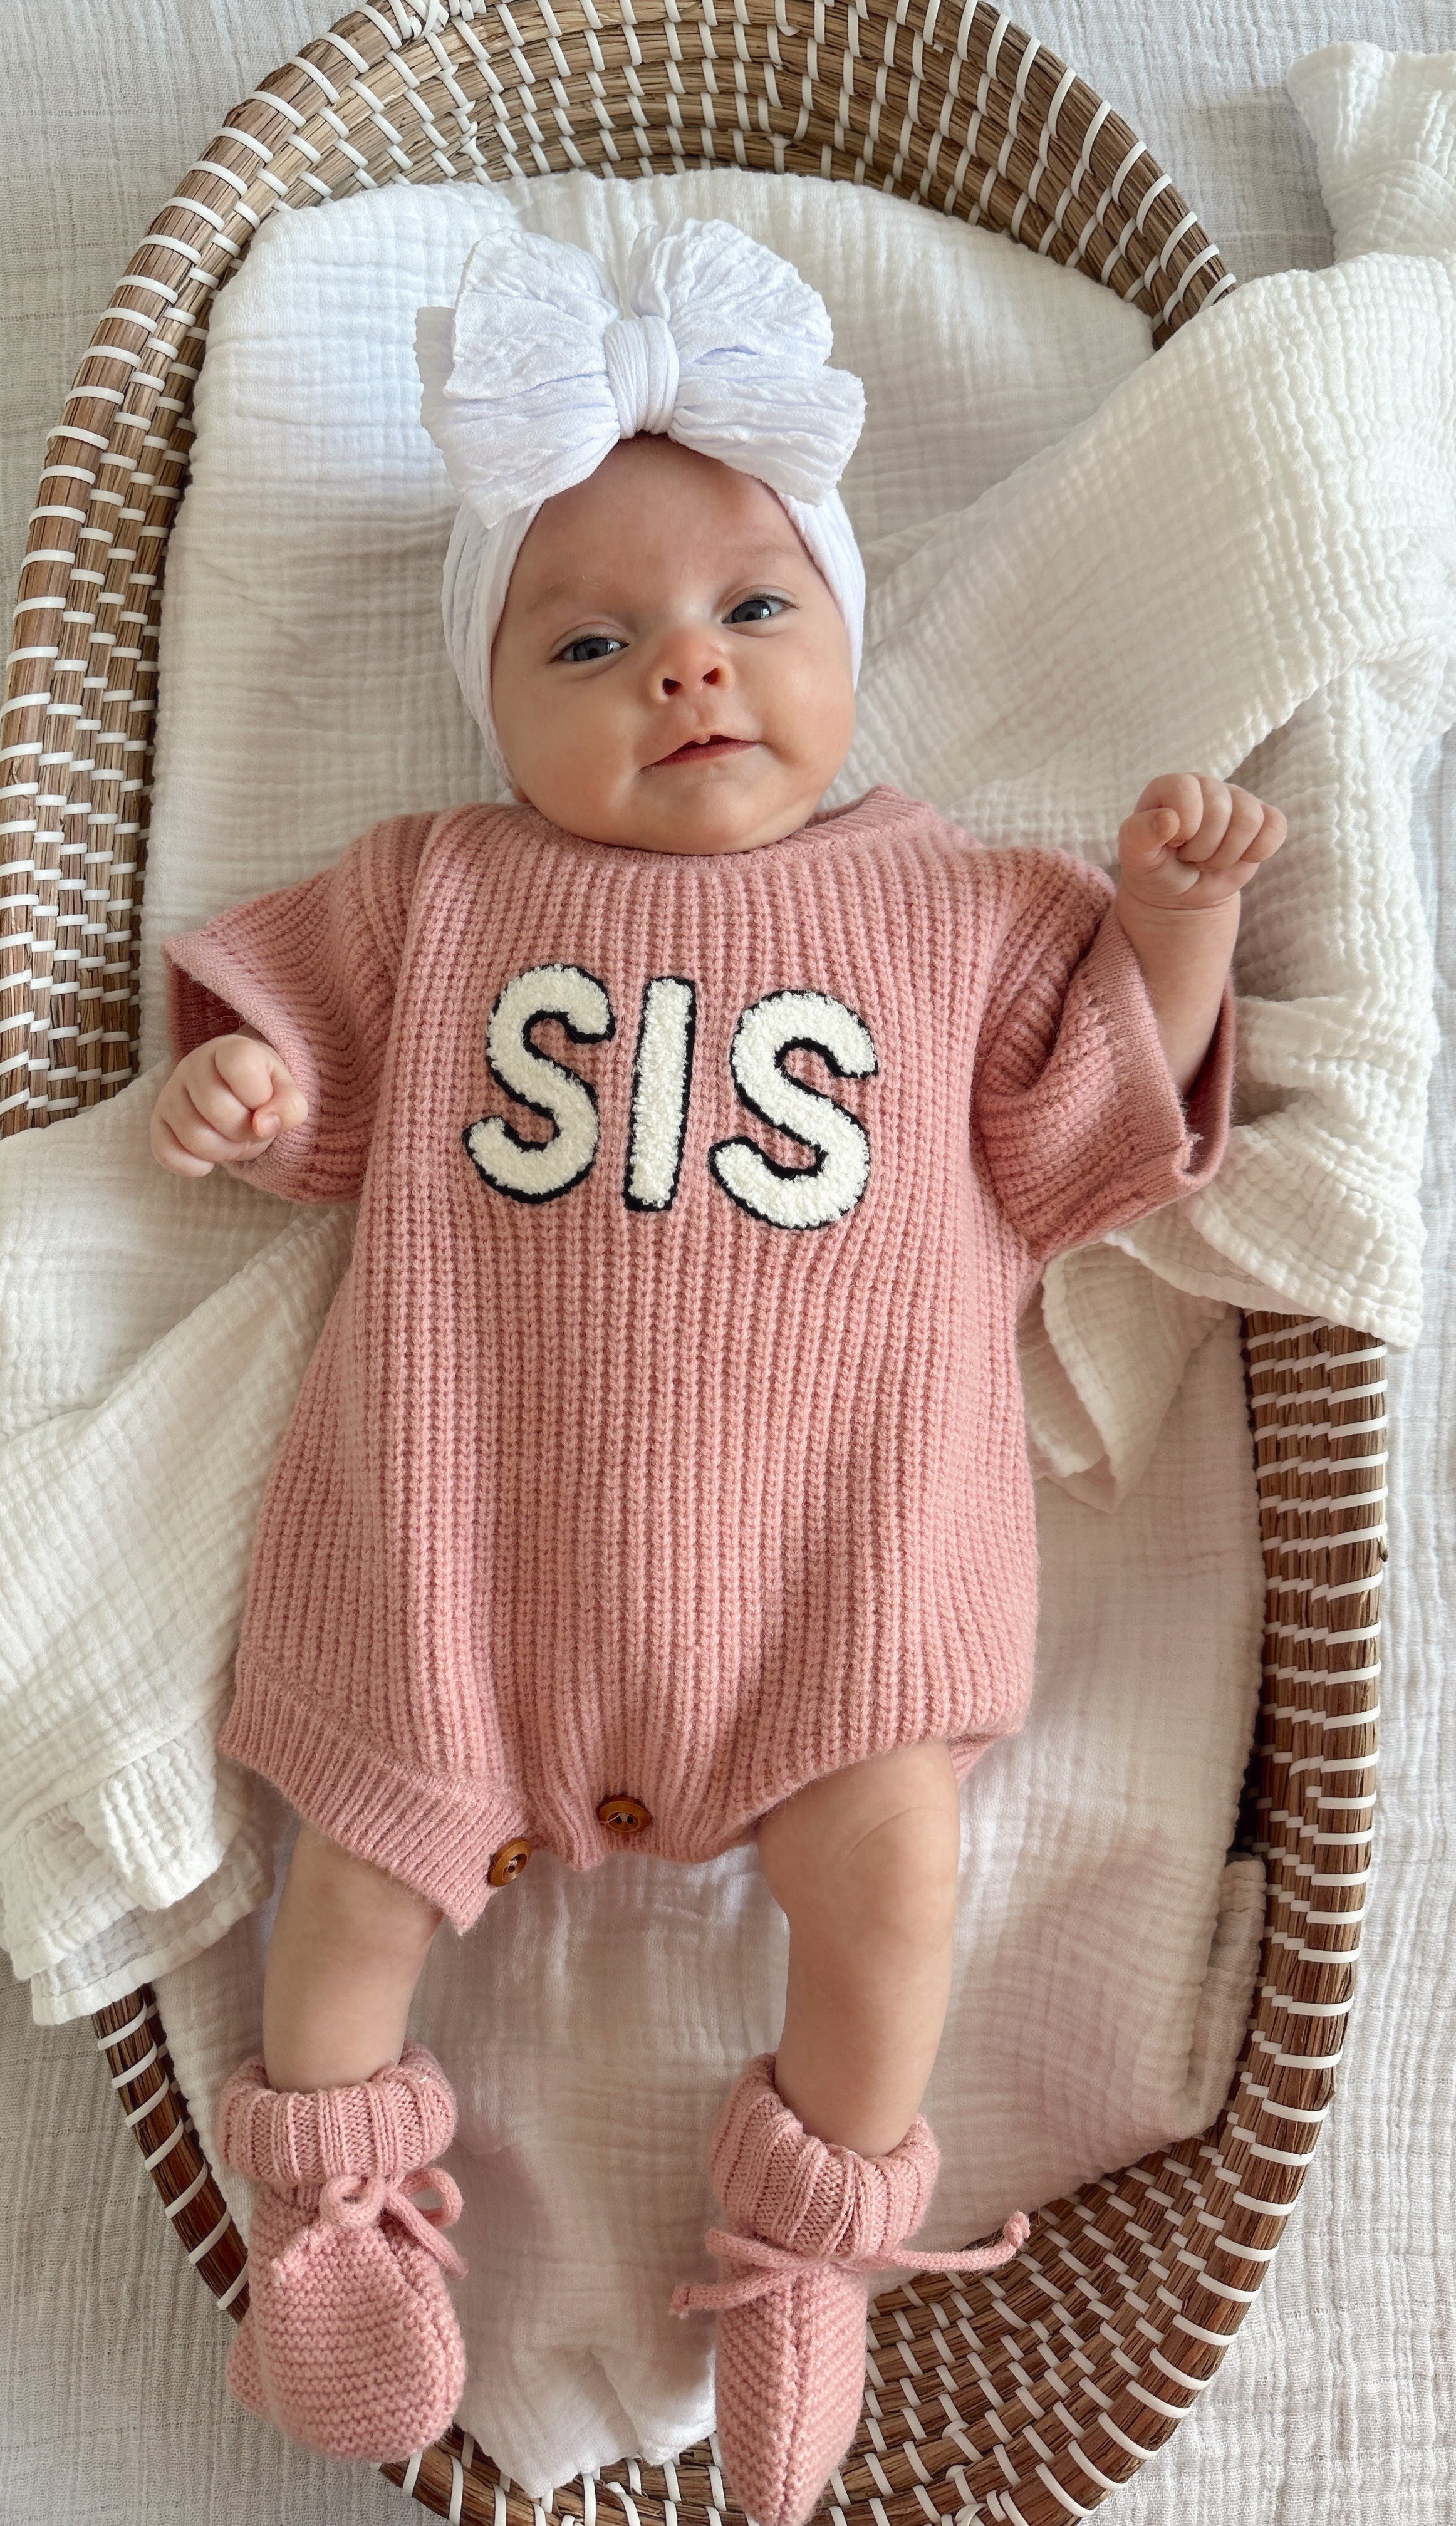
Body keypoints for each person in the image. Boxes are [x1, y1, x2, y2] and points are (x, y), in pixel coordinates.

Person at [150, 219, 1284, 2525]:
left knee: (891, 1883)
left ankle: (811, 2240)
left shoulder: (958, 906)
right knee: (350, 1873)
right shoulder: (438, 888)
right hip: (463, 1569)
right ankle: (336, 2207)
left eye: (754, 612)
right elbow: (285, 1039)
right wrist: (250, 1096)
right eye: (594, 641)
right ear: (501, 706)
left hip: (833, 1591)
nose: (686, 669)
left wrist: (1170, 929)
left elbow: (1096, 1140)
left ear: (848, 639)